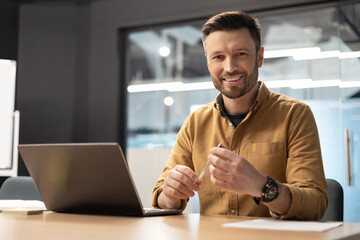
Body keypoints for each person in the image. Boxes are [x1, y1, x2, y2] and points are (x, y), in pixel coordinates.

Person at [151, 11, 327, 220]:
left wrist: (262, 186)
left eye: (241, 54)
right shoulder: (196, 122)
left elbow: (314, 203)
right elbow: (162, 198)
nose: (230, 67)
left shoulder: (295, 115)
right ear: (208, 62)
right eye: (218, 57)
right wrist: (171, 194)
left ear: (259, 57)